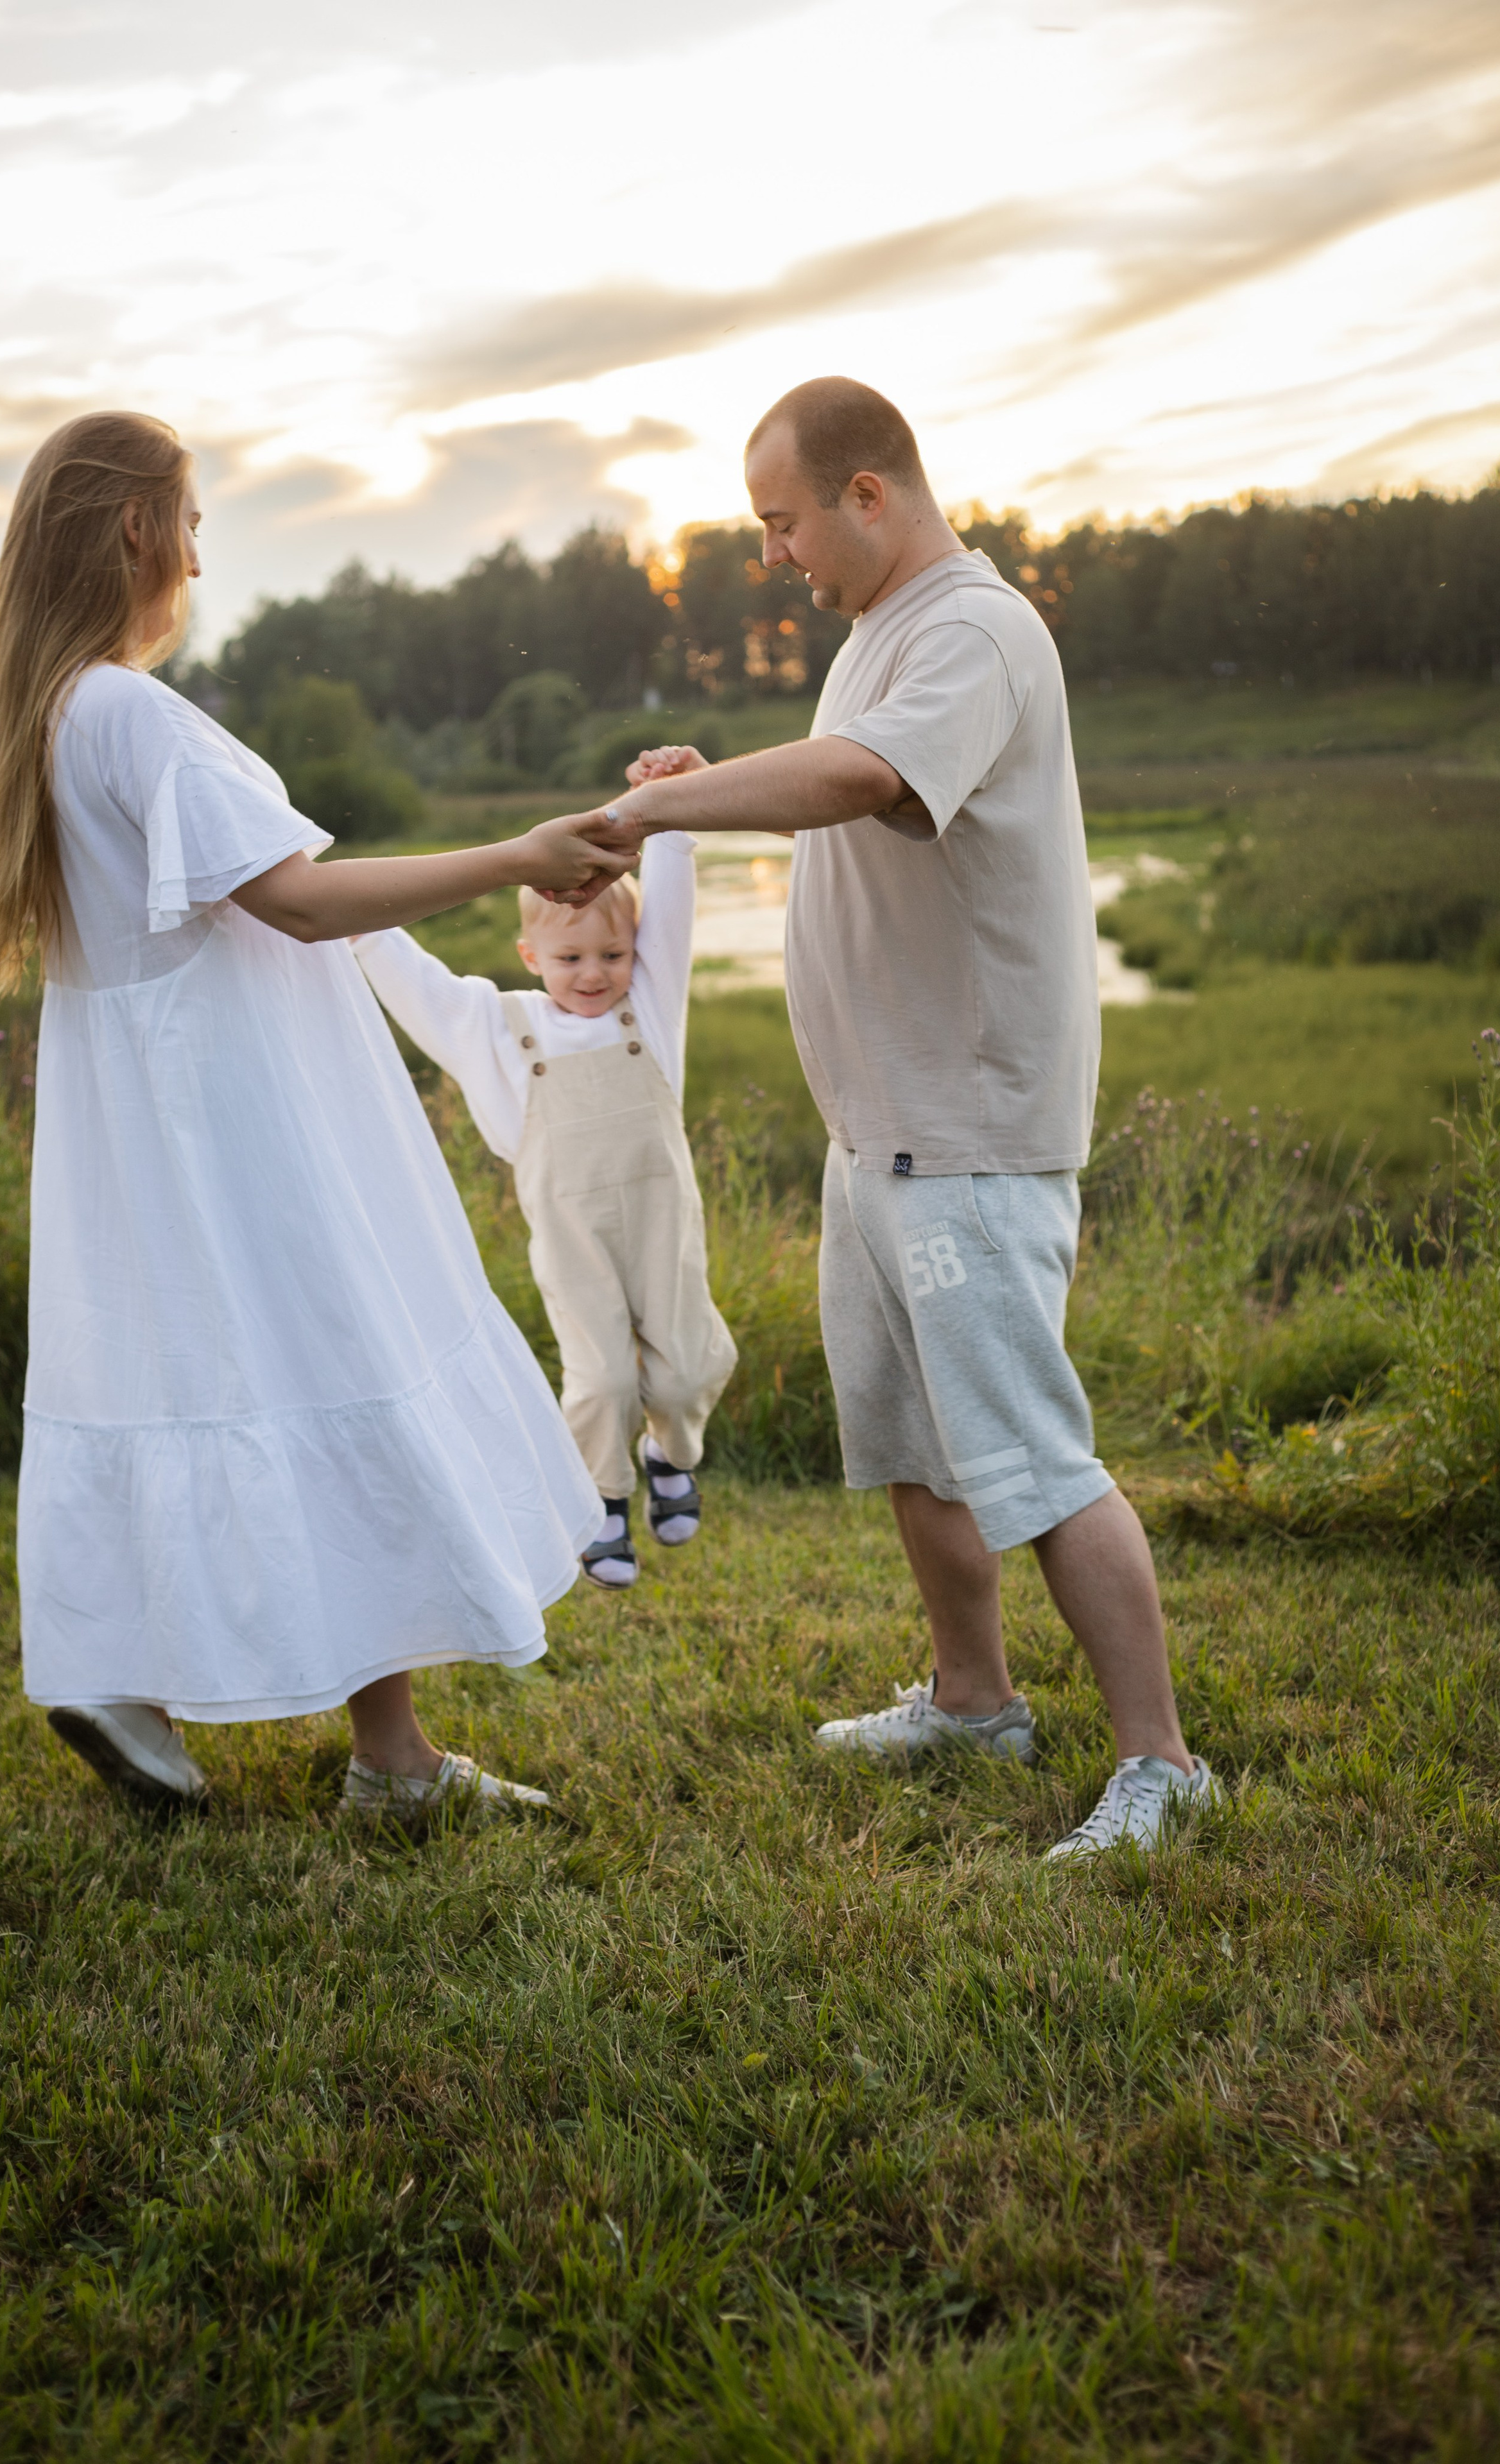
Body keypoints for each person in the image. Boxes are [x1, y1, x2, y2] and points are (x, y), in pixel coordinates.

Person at [0, 411, 631, 1824]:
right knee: (332, 1354)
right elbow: (298, 901)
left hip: (153, 1130)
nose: (199, 558)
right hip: (244, 1118)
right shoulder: (129, 712)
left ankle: (141, 1681)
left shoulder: (55, 718)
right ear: (133, 525)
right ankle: (383, 1761)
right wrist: (516, 853)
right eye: (190, 523)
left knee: (201, 1377)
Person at [577, 377, 1220, 1861]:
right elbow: (844, 793)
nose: (772, 555)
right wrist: (708, 783)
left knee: (1031, 1461)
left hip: (966, 1131)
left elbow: (863, 778)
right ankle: (971, 1699)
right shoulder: (882, 631)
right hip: (878, 1132)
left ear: (866, 494)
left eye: (781, 523)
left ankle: (1161, 1761)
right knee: (910, 1450)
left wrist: (659, 814)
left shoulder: (973, 630)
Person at [355, 831, 736, 1588]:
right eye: (569, 958)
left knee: (686, 1372)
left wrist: (668, 828)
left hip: (664, 1230)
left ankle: (671, 1455)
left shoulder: (649, 1013)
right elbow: (416, 983)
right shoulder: (497, 1027)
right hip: (572, 1241)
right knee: (603, 1381)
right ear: (530, 956)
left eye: (613, 955)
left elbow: (672, 913)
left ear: (636, 953)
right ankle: (602, 1500)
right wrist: (360, 925)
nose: (594, 974)